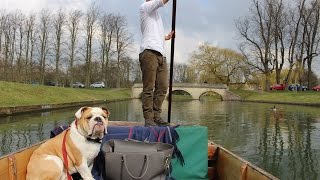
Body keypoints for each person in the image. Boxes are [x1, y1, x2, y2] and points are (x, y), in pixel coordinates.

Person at [139, 0, 174, 126]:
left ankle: (156, 115)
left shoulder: (156, 15)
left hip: (161, 54)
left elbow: (154, 33)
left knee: (163, 87)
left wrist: (166, 37)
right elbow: (162, 1)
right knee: (149, 88)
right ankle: (149, 118)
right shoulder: (145, 7)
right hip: (149, 52)